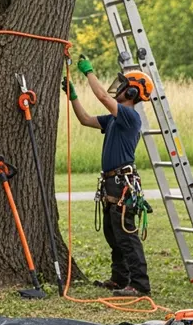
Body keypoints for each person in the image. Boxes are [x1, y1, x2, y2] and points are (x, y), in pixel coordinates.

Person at [63, 55, 154, 298]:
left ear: (132, 92)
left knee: (126, 235)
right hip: (110, 183)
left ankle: (140, 284)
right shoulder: (115, 119)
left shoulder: (129, 116)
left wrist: (88, 72)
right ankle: (119, 278)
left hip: (121, 183)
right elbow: (85, 120)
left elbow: (103, 97)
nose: (118, 89)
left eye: (123, 85)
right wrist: (74, 97)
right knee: (113, 234)